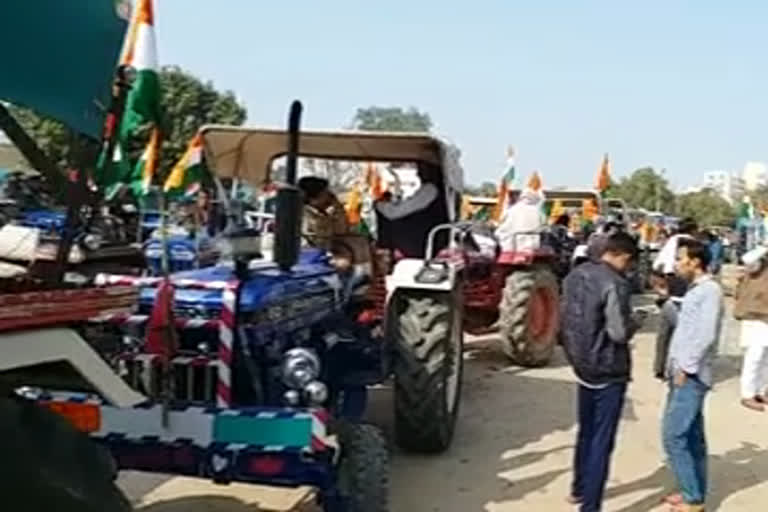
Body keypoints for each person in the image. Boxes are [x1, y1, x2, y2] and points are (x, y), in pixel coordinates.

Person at [560, 231, 643, 512]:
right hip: (608, 368)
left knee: (586, 430)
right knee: (601, 440)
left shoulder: (576, 274)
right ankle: (591, 505)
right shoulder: (615, 283)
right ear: (623, 256)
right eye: (629, 264)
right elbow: (618, 333)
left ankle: (578, 488)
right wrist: (636, 322)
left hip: (581, 363)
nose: (628, 270)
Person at [662, 237, 724, 512]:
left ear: (695, 262)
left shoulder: (709, 291)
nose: (676, 264)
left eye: (680, 258)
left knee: (674, 435)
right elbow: (688, 327)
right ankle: (693, 491)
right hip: (683, 371)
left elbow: (705, 334)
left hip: (692, 374)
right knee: (691, 436)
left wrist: (686, 368)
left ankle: (693, 499)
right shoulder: (696, 290)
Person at [652, 217, 698, 379]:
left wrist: (660, 289)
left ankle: (659, 367)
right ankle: (678, 368)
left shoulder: (671, 241)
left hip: (668, 285)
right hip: (683, 287)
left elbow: (657, 266)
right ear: (693, 229)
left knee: (664, 332)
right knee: (683, 331)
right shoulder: (691, 244)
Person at [733, 245, 768, 411]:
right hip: (754, 315)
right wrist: (765, 246)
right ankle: (747, 395)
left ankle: (761, 391)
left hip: (765, 316)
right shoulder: (758, 263)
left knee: (765, 358)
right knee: (754, 357)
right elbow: (748, 259)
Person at [494, 187, 545, 252]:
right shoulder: (538, 211)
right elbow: (542, 224)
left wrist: (498, 232)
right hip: (534, 242)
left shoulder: (513, 209)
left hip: (517, 242)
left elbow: (505, 225)